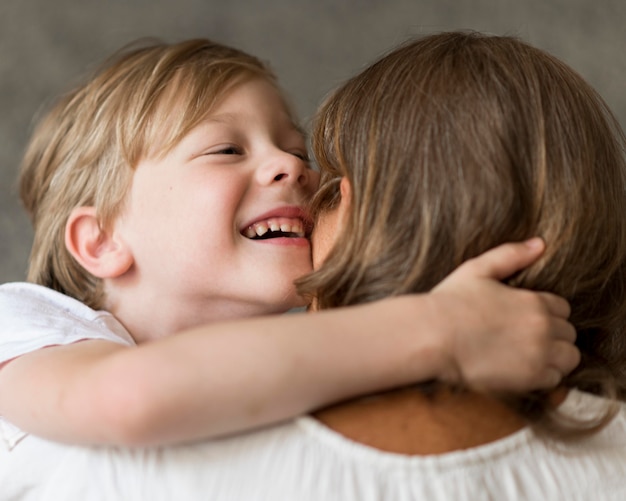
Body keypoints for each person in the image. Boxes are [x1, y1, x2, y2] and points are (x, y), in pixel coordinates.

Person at [10, 31, 625, 500]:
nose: (294, 168)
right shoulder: (29, 324)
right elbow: (129, 398)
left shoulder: (296, 359)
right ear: (100, 242)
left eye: (299, 152)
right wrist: (443, 328)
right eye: (228, 149)